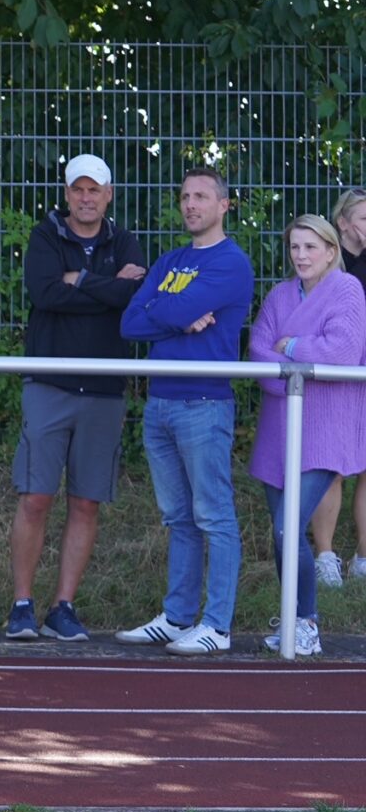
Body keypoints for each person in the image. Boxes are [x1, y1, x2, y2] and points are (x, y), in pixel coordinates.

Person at [7, 154, 147, 641]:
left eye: (95, 190)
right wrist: (108, 288)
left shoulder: (124, 239)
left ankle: (62, 608)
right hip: (49, 383)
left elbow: (132, 297)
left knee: (86, 502)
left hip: (104, 389)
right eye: (78, 189)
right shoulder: (45, 236)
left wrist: (81, 280)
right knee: (35, 497)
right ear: (67, 194)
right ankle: (22, 605)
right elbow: (46, 294)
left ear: (109, 195)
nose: (86, 198)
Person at [116, 169, 256, 655]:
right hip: (160, 403)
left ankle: (216, 625)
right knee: (178, 517)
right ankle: (177, 618)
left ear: (224, 205)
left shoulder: (231, 263)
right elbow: (129, 323)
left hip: (203, 403)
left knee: (213, 515)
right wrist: (177, 317)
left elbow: (153, 313)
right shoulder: (171, 260)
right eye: (184, 197)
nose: (190, 204)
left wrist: (163, 309)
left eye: (201, 196)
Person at [248, 216, 366, 657]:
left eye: (310, 247)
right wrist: (295, 380)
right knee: (284, 533)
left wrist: (292, 348)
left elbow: (343, 351)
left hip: (326, 428)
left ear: (332, 251)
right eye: (294, 247)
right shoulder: (280, 295)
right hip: (279, 425)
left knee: (288, 525)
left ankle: (308, 623)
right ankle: (293, 618)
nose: (301, 255)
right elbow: (259, 350)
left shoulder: (348, 289)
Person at [310, 189, 366, 588]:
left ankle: (364, 557)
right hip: (335, 377)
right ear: (343, 223)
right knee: (332, 468)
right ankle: (325, 556)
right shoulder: (327, 262)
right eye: (364, 218)